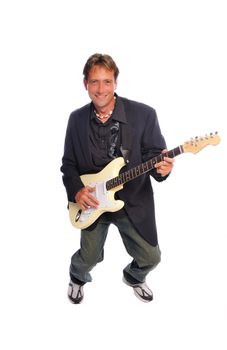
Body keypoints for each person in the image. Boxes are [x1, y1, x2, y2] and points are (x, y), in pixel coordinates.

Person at [60, 53, 174, 304]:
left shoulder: (144, 115)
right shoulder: (76, 119)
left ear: (116, 82)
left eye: (107, 82)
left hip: (132, 200)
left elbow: (156, 156)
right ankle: (77, 277)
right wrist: (78, 191)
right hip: (91, 201)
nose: (101, 89)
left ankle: (134, 276)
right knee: (88, 258)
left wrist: (162, 169)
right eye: (94, 82)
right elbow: (68, 164)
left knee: (151, 257)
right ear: (85, 84)